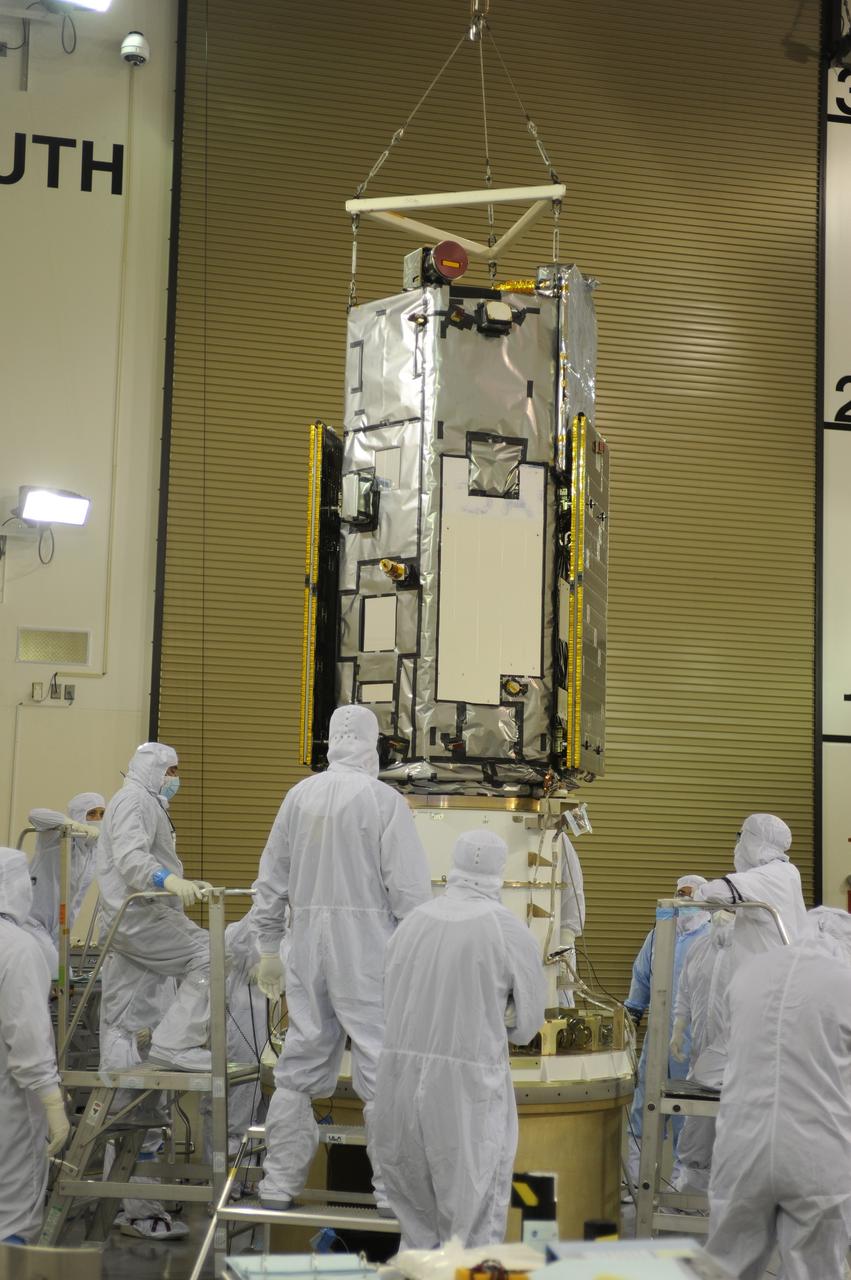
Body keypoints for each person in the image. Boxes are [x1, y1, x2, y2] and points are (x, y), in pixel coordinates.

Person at [253, 704, 432, 1212]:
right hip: (368, 949)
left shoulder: (298, 796)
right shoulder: (384, 801)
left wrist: (268, 948)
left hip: (306, 945)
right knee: (381, 1061)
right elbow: (409, 892)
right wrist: (420, 957)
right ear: (373, 744)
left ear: (330, 740)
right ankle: (391, 1191)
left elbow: (271, 879)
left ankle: (278, 1184)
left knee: (299, 1059)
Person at [370, 829, 546, 1248]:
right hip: (468, 1093)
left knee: (417, 1223)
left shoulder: (411, 924)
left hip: (398, 1082)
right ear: (500, 870)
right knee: (472, 1223)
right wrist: (500, 1015)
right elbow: (528, 1026)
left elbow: (387, 999)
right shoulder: (507, 930)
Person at [705, 906, 851, 1280]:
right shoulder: (844, 981)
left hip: (742, 1147)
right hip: (817, 1155)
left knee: (724, 1266)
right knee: (814, 1269)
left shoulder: (749, 973)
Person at [96, 742, 213, 1070]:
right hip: (140, 917)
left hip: (135, 917)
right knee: (213, 956)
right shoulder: (134, 800)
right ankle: (175, 1045)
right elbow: (131, 858)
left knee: (127, 1011)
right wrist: (168, 881)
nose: (174, 778)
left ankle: (127, 1094)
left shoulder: (146, 802)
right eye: (170, 771)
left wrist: (180, 883)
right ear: (152, 768)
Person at [0, 847, 69, 1244]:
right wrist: (51, 1098)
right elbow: (26, 1034)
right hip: (11, 1101)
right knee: (12, 1213)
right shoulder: (18, 947)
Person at [624, 875, 710, 1187]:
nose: (683, 900)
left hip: (695, 1041)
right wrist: (632, 1011)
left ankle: (683, 1186)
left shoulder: (712, 937)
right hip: (658, 1036)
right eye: (679, 893)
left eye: (689, 894)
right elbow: (641, 975)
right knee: (644, 1106)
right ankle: (637, 1181)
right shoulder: (660, 934)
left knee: (688, 1114)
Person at [98, 953, 188, 1240]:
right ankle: (142, 1212)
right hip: (130, 1049)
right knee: (134, 1131)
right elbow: (125, 1001)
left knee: (131, 1130)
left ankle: (120, 1206)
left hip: (149, 1046)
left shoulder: (151, 942)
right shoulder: (136, 938)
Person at [669, 909, 735, 1192]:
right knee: (697, 1128)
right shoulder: (698, 947)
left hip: (736, 1059)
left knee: (733, 1133)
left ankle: (728, 1197)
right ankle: (691, 1192)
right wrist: (677, 1029)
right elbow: (684, 994)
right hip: (700, 1052)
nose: (721, 915)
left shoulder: (749, 951)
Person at [693, 814, 807, 959]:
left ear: (752, 839)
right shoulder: (786, 871)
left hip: (770, 966)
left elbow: (715, 891)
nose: (738, 844)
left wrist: (695, 894)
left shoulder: (773, 874)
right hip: (772, 963)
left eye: (741, 836)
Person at [27, 792, 105, 967]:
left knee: (62, 978)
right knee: (51, 975)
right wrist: (74, 825)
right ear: (78, 814)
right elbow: (35, 814)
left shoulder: (92, 849)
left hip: (60, 931)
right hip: (33, 923)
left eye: (102, 814)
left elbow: (76, 898)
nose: (97, 819)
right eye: (91, 813)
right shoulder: (55, 835)